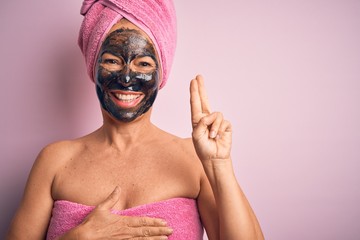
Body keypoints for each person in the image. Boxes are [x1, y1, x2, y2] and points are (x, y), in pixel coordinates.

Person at [7, 0, 264, 239]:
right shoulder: (54, 161)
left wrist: (219, 165)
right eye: (111, 61)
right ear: (92, 67)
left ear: (161, 72)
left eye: (143, 64)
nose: (127, 78)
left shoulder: (195, 158)